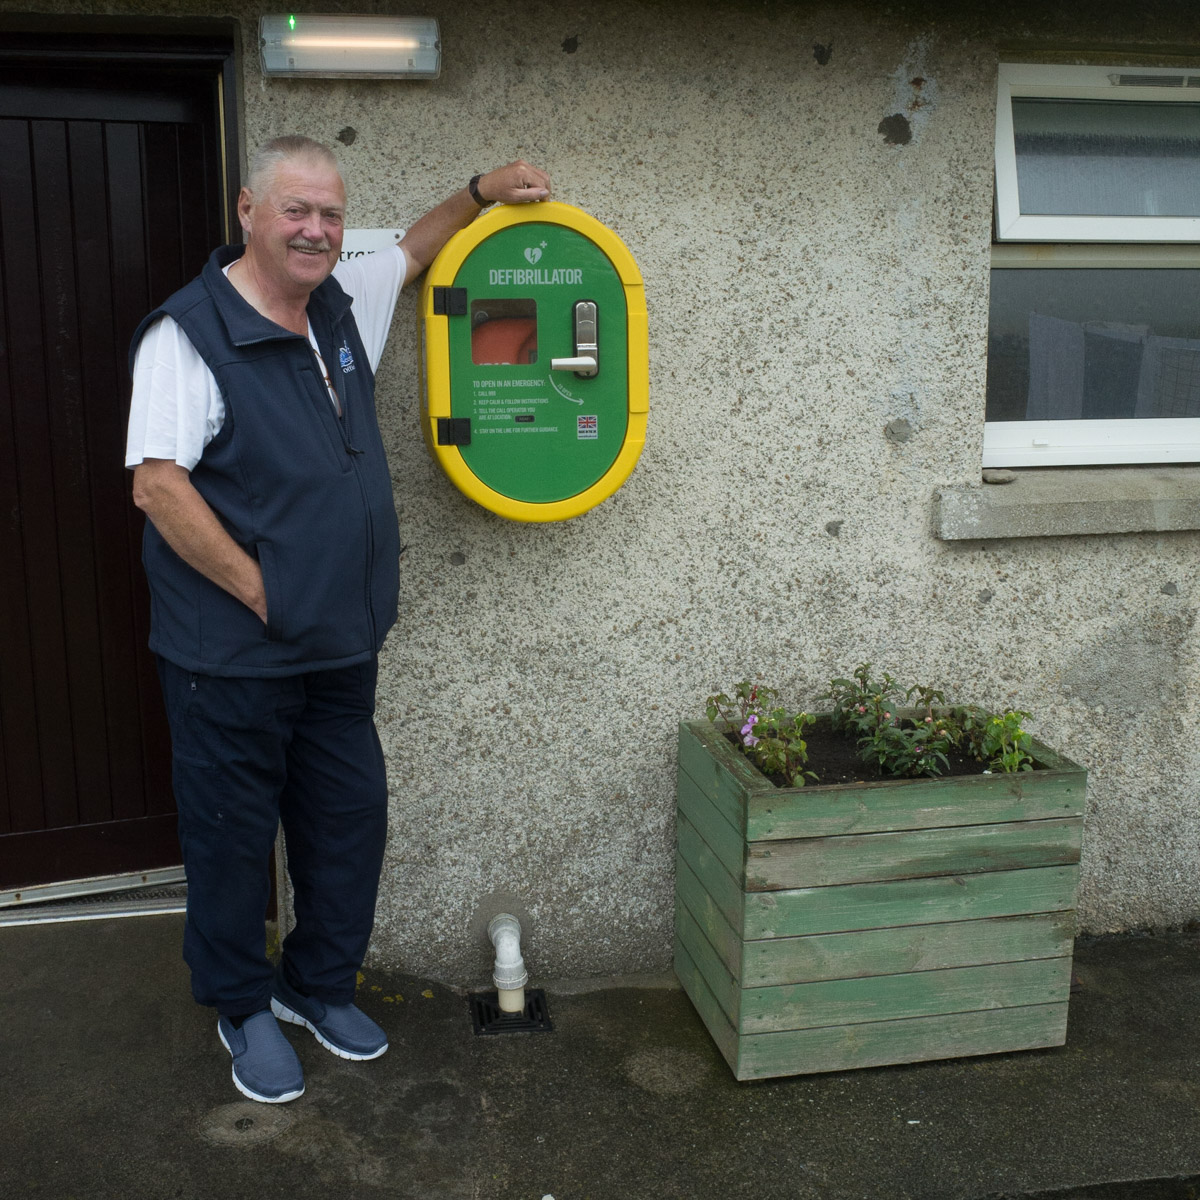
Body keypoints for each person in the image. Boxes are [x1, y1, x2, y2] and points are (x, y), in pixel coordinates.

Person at [126, 136, 550, 1104]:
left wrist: (480, 190)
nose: (315, 230)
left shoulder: (339, 302)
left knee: (347, 822)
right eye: (295, 211)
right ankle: (241, 1007)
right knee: (234, 840)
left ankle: (315, 986)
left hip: (339, 649)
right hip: (230, 655)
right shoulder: (186, 334)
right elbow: (159, 487)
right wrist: (262, 590)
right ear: (248, 211)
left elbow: (413, 249)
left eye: (329, 212)